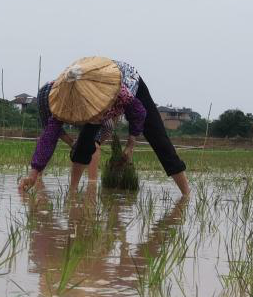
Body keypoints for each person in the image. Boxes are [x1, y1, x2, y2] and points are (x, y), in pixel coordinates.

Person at [18, 57, 189, 197]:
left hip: (127, 79)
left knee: (158, 138)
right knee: (83, 144)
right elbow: (49, 137)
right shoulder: (62, 97)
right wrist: (33, 174)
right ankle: (72, 192)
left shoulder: (120, 91)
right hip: (93, 97)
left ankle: (186, 195)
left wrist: (130, 145)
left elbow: (139, 113)